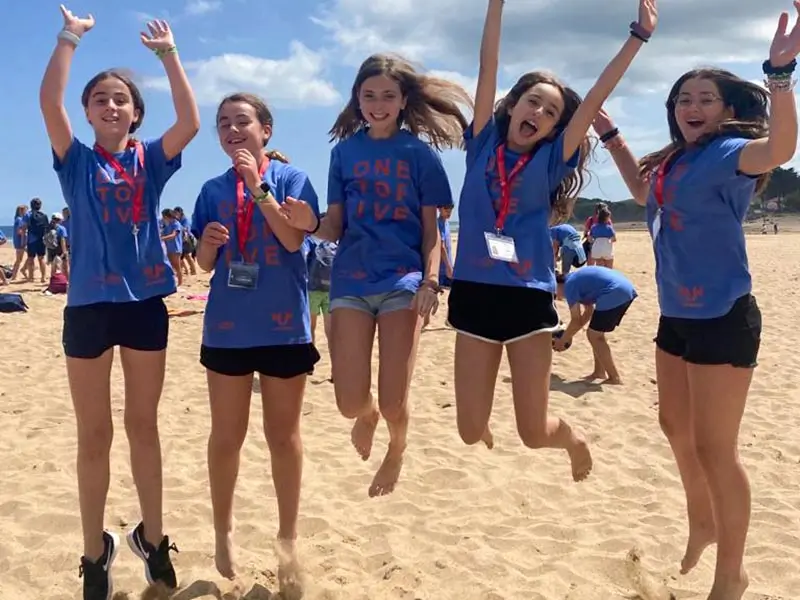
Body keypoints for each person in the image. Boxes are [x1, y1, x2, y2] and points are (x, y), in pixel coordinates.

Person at [592, 5, 800, 597]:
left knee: (716, 447)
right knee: (672, 425)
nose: (693, 106)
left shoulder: (730, 154)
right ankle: (702, 520)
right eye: (684, 98)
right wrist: (611, 134)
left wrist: (780, 74)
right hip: (676, 316)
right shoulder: (673, 164)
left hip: (725, 316)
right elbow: (639, 190)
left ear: (728, 110)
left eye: (706, 98)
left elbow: (780, 147)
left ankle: (732, 572)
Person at [444, 0, 656, 481]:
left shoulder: (550, 159)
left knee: (533, 432)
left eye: (551, 110)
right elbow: (487, 65)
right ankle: (487, 427)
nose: (538, 111)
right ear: (512, 106)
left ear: (557, 127)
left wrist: (637, 38)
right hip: (475, 294)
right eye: (532, 101)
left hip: (526, 297)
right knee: (468, 431)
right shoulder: (482, 144)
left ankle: (573, 439)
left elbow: (600, 91)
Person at [39, 7, 199, 599]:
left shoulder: (150, 161)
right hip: (86, 308)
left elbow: (190, 120)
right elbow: (49, 103)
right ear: (88, 112)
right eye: (101, 100)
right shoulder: (75, 160)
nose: (111, 107)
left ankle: (152, 540)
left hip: (144, 305)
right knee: (93, 434)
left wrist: (168, 54)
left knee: (143, 427)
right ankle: (93, 551)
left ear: (135, 112)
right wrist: (68, 39)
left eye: (121, 100)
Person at [281, 54, 468, 496]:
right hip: (350, 281)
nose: (378, 104)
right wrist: (308, 222)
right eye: (369, 96)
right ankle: (368, 419)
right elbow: (334, 228)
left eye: (387, 95)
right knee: (349, 402)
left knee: (394, 400)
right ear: (357, 100)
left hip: (403, 282)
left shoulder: (419, 154)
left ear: (404, 100)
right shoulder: (343, 153)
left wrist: (431, 282)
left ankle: (397, 446)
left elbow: (431, 231)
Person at [191, 92, 320, 589]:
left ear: (266, 129)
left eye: (242, 121)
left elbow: (293, 240)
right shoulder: (210, 189)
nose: (231, 129)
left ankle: (287, 539)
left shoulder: (292, 179)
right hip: (227, 328)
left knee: (283, 439)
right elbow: (204, 266)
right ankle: (223, 529)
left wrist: (256, 186)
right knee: (226, 437)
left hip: (284, 328)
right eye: (223, 123)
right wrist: (206, 245)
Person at [554, 266, 636, 383]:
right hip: (624, 289)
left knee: (594, 335)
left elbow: (576, 320)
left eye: (554, 292)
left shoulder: (569, 285)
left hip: (614, 292)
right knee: (595, 334)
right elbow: (588, 311)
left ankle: (615, 378)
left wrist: (562, 340)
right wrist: (569, 335)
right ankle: (599, 372)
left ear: (558, 284)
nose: (557, 296)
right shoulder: (575, 280)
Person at [306, 220, 337, 372]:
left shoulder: (311, 241)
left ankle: (310, 365)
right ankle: (334, 368)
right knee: (330, 331)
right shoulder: (334, 244)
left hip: (312, 289)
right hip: (330, 291)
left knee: (310, 328)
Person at [23, 197, 49, 283]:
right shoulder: (44, 215)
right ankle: (43, 277)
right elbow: (47, 229)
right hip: (41, 239)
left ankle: (31, 277)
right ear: (40, 206)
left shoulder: (28, 214)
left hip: (31, 240)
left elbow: (24, 228)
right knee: (41, 258)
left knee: (31, 258)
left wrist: (23, 240)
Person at [160, 208, 183, 287]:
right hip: (169, 248)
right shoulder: (168, 224)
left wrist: (162, 238)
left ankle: (180, 283)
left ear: (167, 216)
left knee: (177, 266)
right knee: (170, 266)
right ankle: (172, 282)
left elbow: (173, 235)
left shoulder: (176, 224)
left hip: (176, 248)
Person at [44, 212, 69, 279]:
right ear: (60, 220)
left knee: (53, 267)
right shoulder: (61, 228)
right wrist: (64, 252)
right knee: (64, 266)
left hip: (50, 249)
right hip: (59, 249)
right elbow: (62, 240)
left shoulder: (48, 228)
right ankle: (66, 281)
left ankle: (53, 282)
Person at [10, 205, 30, 280]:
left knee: (29, 256)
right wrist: (23, 241)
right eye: (26, 210)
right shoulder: (19, 219)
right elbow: (20, 231)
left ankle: (20, 271)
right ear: (22, 211)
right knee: (19, 259)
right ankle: (14, 275)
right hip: (20, 242)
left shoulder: (18, 219)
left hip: (19, 241)